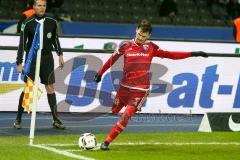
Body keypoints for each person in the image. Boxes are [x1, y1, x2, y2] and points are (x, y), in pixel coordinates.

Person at [94, 19, 208, 150]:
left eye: (144, 36)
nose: (141, 38)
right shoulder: (125, 46)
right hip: (124, 88)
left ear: (149, 36)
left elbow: (170, 55)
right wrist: (100, 73)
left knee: (125, 116)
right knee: (114, 110)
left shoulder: (151, 47)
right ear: (136, 30)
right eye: (139, 34)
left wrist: (193, 54)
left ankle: (106, 142)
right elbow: (112, 59)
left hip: (140, 90)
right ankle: (111, 133)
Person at [14, 0, 65, 129]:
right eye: (39, 6)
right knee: (28, 88)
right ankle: (18, 119)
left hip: (47, 58)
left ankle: (56, 119)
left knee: (50, 87)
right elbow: (22, 44)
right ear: (34, 7)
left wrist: (60, 54)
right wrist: (19, 62)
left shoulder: (52, 22)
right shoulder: (27, 23)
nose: (42, 8)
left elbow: (55, 40)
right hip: (32, 59)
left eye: (44, 6)